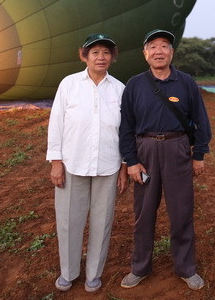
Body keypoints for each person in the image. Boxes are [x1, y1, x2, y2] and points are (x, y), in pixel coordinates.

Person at [119, 29, 212, 291]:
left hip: (177, 149)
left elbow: (201, 120)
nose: (158, 51)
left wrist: (199, 155)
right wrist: (131, 161)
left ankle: (185, 267)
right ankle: (140, 267)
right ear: (145, 53)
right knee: (144, 212)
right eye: (153, 47)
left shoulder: (186, 83)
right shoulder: (135, 85)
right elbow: (126, 127)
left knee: (181, 211)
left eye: (164, 46)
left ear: (172, 52)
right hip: (145, 151)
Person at [46, 33, 128, 293]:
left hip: (108, 165)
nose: (101, 57)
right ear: (84, 55)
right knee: (69, 220)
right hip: (73, 163)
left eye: (106, 52)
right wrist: (56, 162)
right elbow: (56, 123)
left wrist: (125, 166)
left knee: (102, 221)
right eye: (95, 52)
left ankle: (94, 274)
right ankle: (68, 272)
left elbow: (127, 130)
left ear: (112, 57)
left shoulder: (119, 89)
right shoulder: (69, 84)